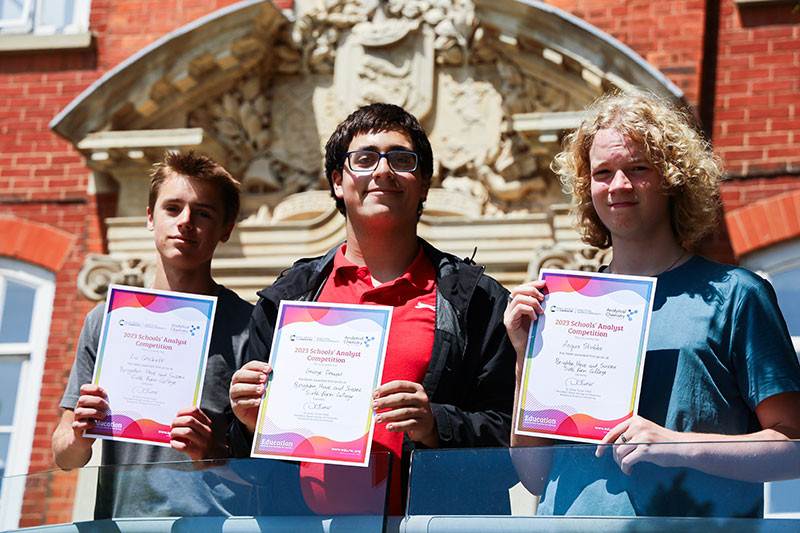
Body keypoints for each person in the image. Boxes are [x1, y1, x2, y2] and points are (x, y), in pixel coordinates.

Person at [505, 90, 800, 517]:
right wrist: (523, 357)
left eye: (638, 168)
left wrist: (677, 446)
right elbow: (534, 475)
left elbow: (792, 446)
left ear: (673, 177)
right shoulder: (566, 307)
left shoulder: (734, 293)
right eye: (603, 172)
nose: (619, 185)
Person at [229, 103, 515, 515]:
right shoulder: (286, 300)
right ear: (337, 183)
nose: (382, 171)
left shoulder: (478, 301)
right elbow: (251, 470)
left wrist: (438, 425)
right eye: (364, 159)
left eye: (401, 159)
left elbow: (515, 454)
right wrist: (247, 422)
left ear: (424, 185)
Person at [52, 151, 254, 518]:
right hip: (121, 522)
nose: (185, 222)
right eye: (172, 208)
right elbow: (65, 455)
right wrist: (79, 436)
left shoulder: (251, 326)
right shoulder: (107, 319)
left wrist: (217, 453)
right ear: (150, 217)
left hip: (217, 526)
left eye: (203, 213)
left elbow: (274, 470)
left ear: (226, 229)